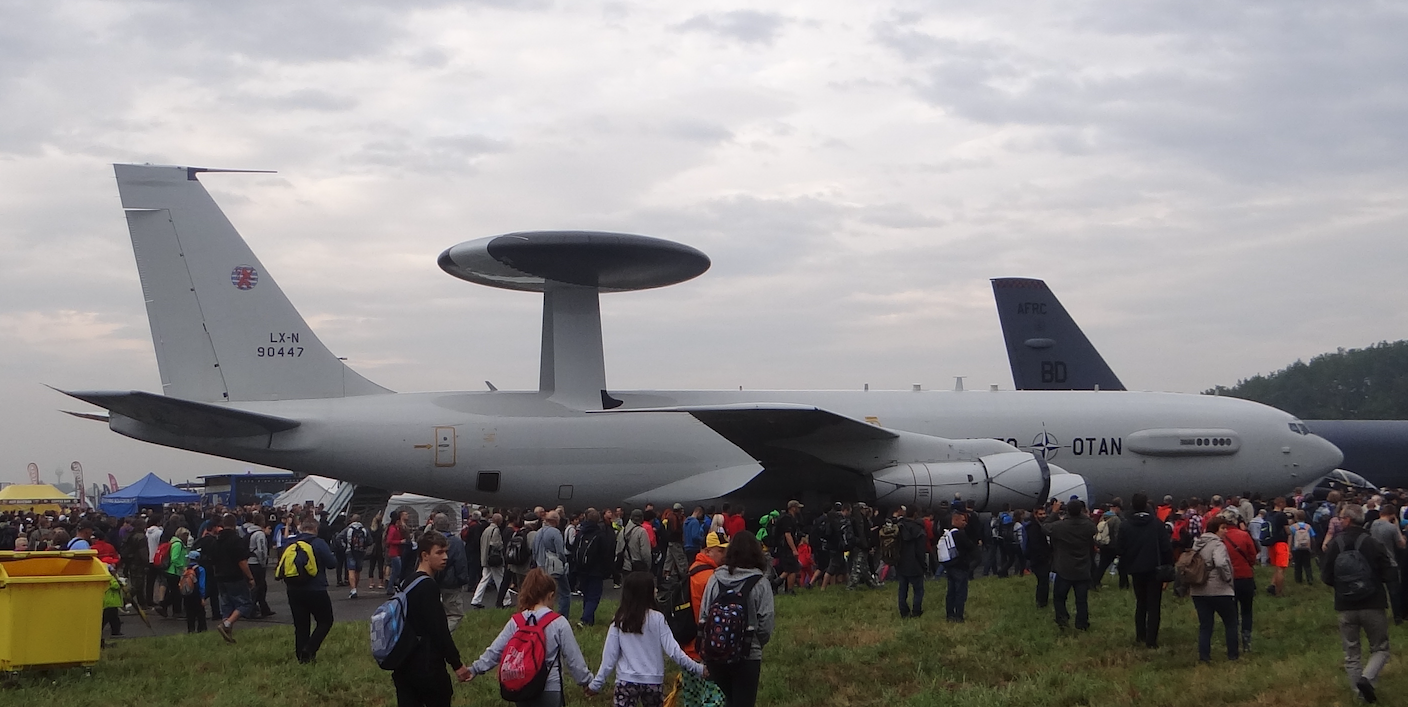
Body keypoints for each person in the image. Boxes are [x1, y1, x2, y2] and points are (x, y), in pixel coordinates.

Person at [469, 568, 592, 707]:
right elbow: (573, 658)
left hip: (523, 686)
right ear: (550, 595)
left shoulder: (517, 622)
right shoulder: (558, 622)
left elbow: (495, 650)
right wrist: (587, 681)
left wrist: (475, 669)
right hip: (549, 688)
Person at [587, 571, 704, 704]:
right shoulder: (658, 618)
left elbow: (609, 657)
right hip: (653, 681)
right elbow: (674, 652)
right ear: (646, 593)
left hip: (626, 682)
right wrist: (698, 669)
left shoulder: (620, 620)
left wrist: (596, 684)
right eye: (653, 587)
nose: (656, 589)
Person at [1322, 504, 1395, 703]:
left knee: (1351, 652)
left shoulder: (1336, 544)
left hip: (1345, 605)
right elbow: (1389, 573)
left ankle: (1360, 695)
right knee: (1380, 648)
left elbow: (1326, 576)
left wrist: (1342, 586)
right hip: (1373, 602)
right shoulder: (1372, 543)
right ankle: (1367, 679)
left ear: (1347, 520)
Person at [699, 532, 774, 707]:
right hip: (747, 654)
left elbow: (704, 615)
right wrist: (755, 644)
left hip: (716, 653)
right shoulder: (761, 583)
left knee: (730, 699)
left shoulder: (715, 579)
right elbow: (766, 624)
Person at [1117, 493, 1172, 648]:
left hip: (1135, 569)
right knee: (1154, 605)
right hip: (1155, 569)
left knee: (1141, 603)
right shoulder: (1156, 524)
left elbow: (1120, 548)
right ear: (1147, 505)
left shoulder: (1126, 525)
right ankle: (1151, 640)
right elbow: (1166, 547)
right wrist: (1168, 565)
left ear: (1132, 505)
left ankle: (1140, 635)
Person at [682, 531, 729, 707]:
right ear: (708, 551)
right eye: (721, 550)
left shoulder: (693, 569)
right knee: (713, 698)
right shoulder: (711, 578)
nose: (725, 555)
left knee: (691, 698)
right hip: (706, 649)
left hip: (688, 647)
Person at [285, 516, 337, 663]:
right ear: (316, 529)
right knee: (325, 621)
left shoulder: (290, 542)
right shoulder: (319, 543)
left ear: (301, 528)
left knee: (301, 625)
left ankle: (301, 657)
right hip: (316, 589)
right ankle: (310, 648)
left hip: (293, 589)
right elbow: (332, 563)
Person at [1190, 517, 1238, 663]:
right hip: (1219, 589)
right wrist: (1228, 578)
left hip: (1198, 590)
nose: (1225, 531)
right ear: (1215, 529)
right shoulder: (1218, 544)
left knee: (1205, 625)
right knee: (1231, 622)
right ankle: (1233, 655)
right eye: (1223, 528)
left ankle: (1204, 656)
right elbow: (1220, 562)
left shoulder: (1197, 543)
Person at [1044, 499, 1096, 631]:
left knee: (1059, 597)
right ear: (1081, 511)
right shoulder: (1088, 525)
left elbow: (1045, 527)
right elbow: (1093, 528)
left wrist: (1054, 512)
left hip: (1064, 568)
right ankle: (1082, 624)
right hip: (1082, 568)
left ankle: (1062, 620)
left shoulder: (1060, 526)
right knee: (1081, 600)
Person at [210, 514, 255, 644]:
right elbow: (242, 561)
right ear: (235, 524)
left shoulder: (216, 540)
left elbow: (212, 559)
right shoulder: (236, 540)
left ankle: (227, 633)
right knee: (245, 603)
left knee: (226, 605)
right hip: (234, 576)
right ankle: (227, 624)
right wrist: (250, 577)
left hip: (219, 577)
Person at [1221, 511, 1259, 653]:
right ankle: (1247, 639)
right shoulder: (1244, 535)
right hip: (1245, 576)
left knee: (1232, 612)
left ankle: (1233, 640)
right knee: (1247, 610)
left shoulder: (1221, 538)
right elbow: (1253, 556)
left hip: (1228, 579)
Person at [576, 509, 615, 627]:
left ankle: (589, 621)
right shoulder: (600, 534)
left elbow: (574, 550)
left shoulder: (581, 533)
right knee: (594, 596)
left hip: (582, 569)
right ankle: (585, 619)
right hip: (596, 571)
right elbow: (606, 554)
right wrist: (607, 570)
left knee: (586, 595)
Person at [431, 514, 470, 631]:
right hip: (450, 582)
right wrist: (462, 580)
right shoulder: (456, 542)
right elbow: (461, 563)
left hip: (431, 581)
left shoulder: (427, 541)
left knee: (434, 613)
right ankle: (442, 637)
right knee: (454, 614)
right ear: (448, 525)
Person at [1367, 507, 1406, 623]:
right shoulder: (1392, 528)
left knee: (1376, 589)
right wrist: (1397, 526)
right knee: (1394, 591)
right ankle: (1398, 617)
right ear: (1393, 515)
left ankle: (1377, 615)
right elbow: (1401, 544)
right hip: (1390, 562)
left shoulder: (1373, 524)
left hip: (1375, 561)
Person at [940, 508, 977, 622]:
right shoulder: (960, 534)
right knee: (960, 592)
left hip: (950, 565)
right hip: (960, 566)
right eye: (962, 520)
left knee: (951, 592)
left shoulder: (947, 533)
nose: (965, 523)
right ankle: (959, 615)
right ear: (955, 520)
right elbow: (970, 547)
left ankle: (949, 614)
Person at [533, 510, 571, 619]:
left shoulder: (538, 532)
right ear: (556, 521)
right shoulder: (555, 532)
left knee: (544, 593)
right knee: (565, 593)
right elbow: (560, 551)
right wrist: (564, 562)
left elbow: (534, 550)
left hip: (541, 567)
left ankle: (542, 615)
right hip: (554, 567)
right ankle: (562, 617)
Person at [895, 506, 927, 618]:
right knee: (918, 590)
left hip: (901, 562)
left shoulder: (899, 527)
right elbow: (921, 551)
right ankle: (916, 611)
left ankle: (904, 611)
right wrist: (923, 565)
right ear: (915, 514)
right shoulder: (919, 529)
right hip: (915, 564)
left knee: (902, 589)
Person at [472, 513, 506, 609]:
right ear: (498, 521)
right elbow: (496, 544)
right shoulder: (496, 530)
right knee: (500, 578)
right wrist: (502, 546)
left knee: (484, 579)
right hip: (493, 560)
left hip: (485, 558)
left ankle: (476, 599)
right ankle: (506, 599)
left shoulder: (486, 530)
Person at [1025, 504, 1054, 609]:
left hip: (1042, 556)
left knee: (1044, 580)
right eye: (1040, 514)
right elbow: (1035, 544)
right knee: (1043, 580)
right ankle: (1042, 602)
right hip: (1038, 558)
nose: (1043, 516)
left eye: (1044, 513)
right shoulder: (1033, 527)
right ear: (1035, 514)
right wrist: (1044, 555)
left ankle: (1042, 601)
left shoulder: (1041, 525)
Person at [342, 513, 369, 599]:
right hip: (361, 552)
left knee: (351, 570)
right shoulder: (364, 529)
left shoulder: (348, 529)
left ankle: (353, 590)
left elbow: (339, 538)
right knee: (358, 571)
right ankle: (355, 587)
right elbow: (370, 540)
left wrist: (344, 546)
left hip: (350, 551)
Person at [182, 549, 207, 634]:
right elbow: (201, 584)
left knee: (189, 613)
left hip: (187, 593)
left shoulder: (185, 570)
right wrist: (202, 597)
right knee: (200, 613)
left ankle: (191, 629)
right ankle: (201, 629)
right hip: (196, 594)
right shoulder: (201, 569)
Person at [385, 511, 406, 597]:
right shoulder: (393, 529)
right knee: (396, 571)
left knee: (396, 570)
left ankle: (391, 586)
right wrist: (400, 541)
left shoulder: (394, 528)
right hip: (394, 552)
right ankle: (390, 587)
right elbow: (389, 541)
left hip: (396, 551)